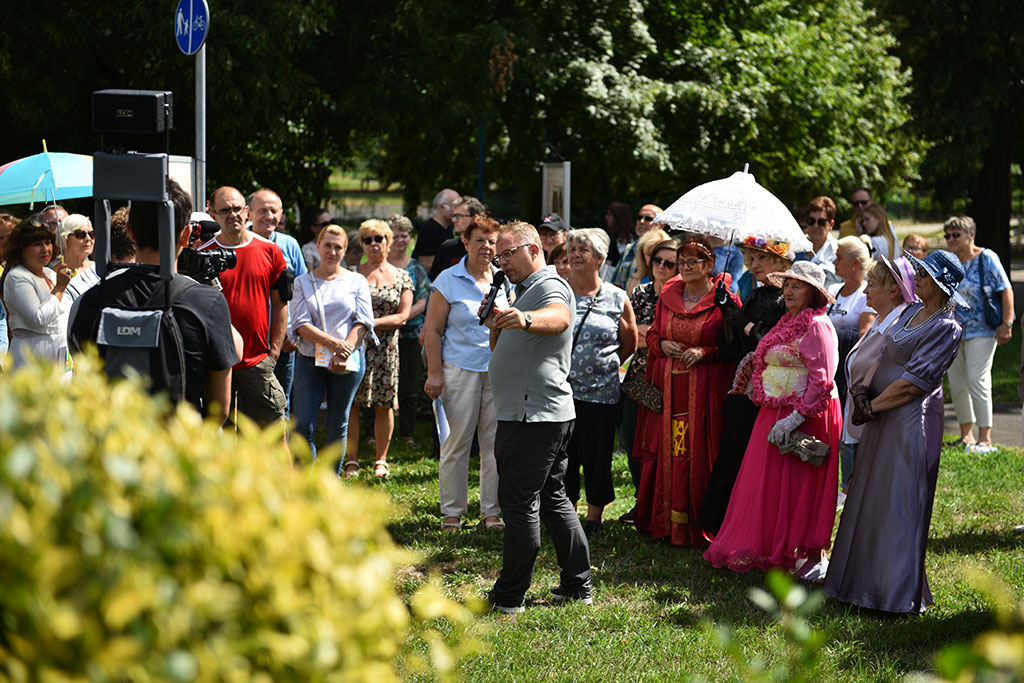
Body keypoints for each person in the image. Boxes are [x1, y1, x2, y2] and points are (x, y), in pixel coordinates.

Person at [824, 250, 966, 613]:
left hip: (909, 421)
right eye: (918, 269)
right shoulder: (910, 310)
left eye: (926, 273)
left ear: (942, 284)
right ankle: (857, 585)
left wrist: (873, 405)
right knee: (870, 495)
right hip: (880, 414)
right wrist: (862, 391)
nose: (917, 275)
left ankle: (892, 594)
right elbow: (882, 353)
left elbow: (914, 383)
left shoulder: (947, 326)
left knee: (899, 500)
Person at [704, 261, 841, 577]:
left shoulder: (818, 325)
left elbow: (823, 382)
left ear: (814, 293)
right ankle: (768, 546)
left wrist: (794, 419)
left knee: (799, 485)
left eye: (798, 285)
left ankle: (805, 553)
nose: (790, 291)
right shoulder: (786, 320)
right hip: (772, 412)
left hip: (805, 416)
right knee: (768, 485)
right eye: (788, 285)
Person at [484, 220, 591, 613]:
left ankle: (509, 596)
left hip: (533, 417)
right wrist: (499, 322)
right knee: (552, 498)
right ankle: (577, 585)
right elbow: (504, 346)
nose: (502, 261)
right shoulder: (522, 289)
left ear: (532, 249)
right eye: (498, 255)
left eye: (507, 253)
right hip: (539, 413)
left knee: (518, 503)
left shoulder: (549, 285)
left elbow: (560, 317)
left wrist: (526, 318)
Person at [69, 180, 238, 420]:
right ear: (186, 234)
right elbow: (219, 408)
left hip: (113, 447)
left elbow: (83, 378)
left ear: (129, 231)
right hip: (180, 447)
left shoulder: (91, 300)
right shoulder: (206, 302)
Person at [634, 239, 738, 547]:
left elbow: (735, 347)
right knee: (669, 448)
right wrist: (661, 345)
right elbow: (653, 333)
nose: (686, 267)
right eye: (683, 261)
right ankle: (666, 522)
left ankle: (698, 526)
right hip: (669, 385)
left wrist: (705, 351)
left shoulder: (724, 300)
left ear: (710, 265)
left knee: (697, 449)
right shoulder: (668, 296)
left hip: (705, 389)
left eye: (694, 261)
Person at [695, 236, 792, 536]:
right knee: (732, 452)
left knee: (757, 461)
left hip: (771, 391)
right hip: (742, 388)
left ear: (781, 263)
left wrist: (738, 319)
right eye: (752, 257)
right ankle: (722, 526)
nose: (755, 264)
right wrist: (726, 312)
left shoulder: (789, 299)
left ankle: (755, 529)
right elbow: (738, 344)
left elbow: (771, 341)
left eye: (762, 258)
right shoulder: (754, 295)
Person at [423, 215, 508, 531]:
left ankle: (491, 513)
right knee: (456, 443)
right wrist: (435, 373)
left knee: (495, 444)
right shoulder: (447, 279)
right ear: (465, 243)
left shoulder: (505, 280)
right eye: (479, 241)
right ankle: (452, 513)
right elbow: (432, 330)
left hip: (497, 372)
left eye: (491, 241)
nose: (486, 247)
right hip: (458, 370)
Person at [564, 228, 638, 537]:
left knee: (597, 456)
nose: (576, 254)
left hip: (601, 395)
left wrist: (603, 367)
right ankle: (565, 511)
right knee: (563, 456)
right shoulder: (559, 291)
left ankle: (594, 516)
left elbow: (630, 342)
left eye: (584, 249)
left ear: (600, 258)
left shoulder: (616, 296)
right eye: (572, 249)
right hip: (561, 392)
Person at [203, 186, 290, 427]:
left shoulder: (271, 251)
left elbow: (281, 304)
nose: (232, 215)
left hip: (258, 362)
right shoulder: (201, 256)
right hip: (217, 365)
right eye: (225, 210)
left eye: (237, 209)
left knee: (273, 436)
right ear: (211, 214)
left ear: (247, 211)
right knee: (221, 439)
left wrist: (273, 353)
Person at [291, 224, 373, 467]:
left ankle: (329, 483)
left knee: (338, 421)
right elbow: (300, 324)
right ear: (317, 246)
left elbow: (364, 321)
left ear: (345, 250)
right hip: (309, 359)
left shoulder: (357, 280)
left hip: (348, 359)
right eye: (327, 245)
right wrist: (334, 345)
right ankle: (304, 481)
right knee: (303, 422)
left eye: (338, 247)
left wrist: (344, 351)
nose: (332, 251)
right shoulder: (302, 282)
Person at [837, 256, 914, 501]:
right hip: (857, 427)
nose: (866, 290)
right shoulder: (881, 321)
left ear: (893, 291)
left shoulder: (897, 328)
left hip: (877, 431)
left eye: (872, 284)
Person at [618, 239, 680, 523]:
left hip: (668, 378)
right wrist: (651, 337)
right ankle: (642, 501)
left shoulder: (681, 297)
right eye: (657, 260)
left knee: (662, 444)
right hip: (636, 378)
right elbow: (629, 335)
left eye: (670, 263)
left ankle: (661, 505)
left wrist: (650, 337)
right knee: (632, 439)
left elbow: (670, 337)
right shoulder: (640, 292)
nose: (662, 267)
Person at [346, 219, 412, 479]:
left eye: (378, 239)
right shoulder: (351, 274)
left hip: (386, 349)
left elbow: (403, 316)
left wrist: (368, 324)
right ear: (362, 244)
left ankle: (381, 460)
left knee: (383, 405)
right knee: (351, 404)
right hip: (354, 346)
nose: (373, 244)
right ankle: (351, 460)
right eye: (367, 240)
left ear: (388, 241)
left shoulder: (402, 276)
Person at [942, 216, 1014, 452]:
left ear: (971, 235)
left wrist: (1007, 323)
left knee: (977, 379)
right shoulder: (949, 263)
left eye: (956, 235)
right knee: (958, 383)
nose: (951, 239)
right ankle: (966, 436)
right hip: (954, 332)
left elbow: (1005, 290)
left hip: (983, 330)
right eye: (948, 235)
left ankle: (985, 437)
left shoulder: (987, 257)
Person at [247, 189, 308, 419]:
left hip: (284, 342)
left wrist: (293, 331)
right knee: (244, 407)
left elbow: (302, 291)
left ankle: (280, 454)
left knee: (281, 404)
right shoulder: (239, 243)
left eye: (274, 211)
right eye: (262, 210)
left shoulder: (290, 245)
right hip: (248, 342)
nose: (269, 216)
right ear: (248, 213)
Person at [2, 219, 72, 370]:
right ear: (21, 249)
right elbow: (38, 318)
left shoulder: (50, 273)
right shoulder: (17, 277)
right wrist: (60, 287)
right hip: (33, 354)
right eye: (37, 244)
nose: (45, 249)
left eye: (48, 242)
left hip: (60, 352)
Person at [387, 213, 430, 445]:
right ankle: (371, 435)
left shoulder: (417, 268)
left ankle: (407, 434)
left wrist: (400, 319)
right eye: (395, 236)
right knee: (378, 383)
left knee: (409, 386)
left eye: (405, 236)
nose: (400, 240)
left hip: (411, 334)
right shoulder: (378, 266)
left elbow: (423, 300)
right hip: (380, 335)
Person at [828, 236, 876, 413]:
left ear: (855, 263)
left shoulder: (866, 295)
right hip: (831, 364)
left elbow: (864, 334)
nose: (834, 261)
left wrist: (832, 335)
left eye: (839, 257)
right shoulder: (833, 290)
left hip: (849, 371)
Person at [429, 196, 485, 280]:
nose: (453, 220)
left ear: (475, 218)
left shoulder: (487, 247)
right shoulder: (447, 247)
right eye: (453, 216)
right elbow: (435, 280)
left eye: (458, 216)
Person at [610, 204, 662, 287]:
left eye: (648, 219)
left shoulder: (665, 252)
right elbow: (617, 283)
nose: (642, 221)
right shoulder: (629, 249)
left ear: (661, 225)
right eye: (639, 217)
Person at [412, 188, 460, 272]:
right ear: (442, 207)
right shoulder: (430, 230)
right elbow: (426, 265)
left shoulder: (448, 228)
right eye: (455, 206)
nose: (458, 210)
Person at [57, 214, 100, 301]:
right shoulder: (54, 275)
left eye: (91, 234)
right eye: (81, 234)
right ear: (65, 239)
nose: (88, 239)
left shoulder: (99, 267)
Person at [804, 196, 840, 286]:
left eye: (821, 222)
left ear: (831, 224)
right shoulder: (794, 246)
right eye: (811, 220)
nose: (815, 226)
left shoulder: (838, 252)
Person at [624, 229, 670, 295]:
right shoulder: (637, 280)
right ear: (642, 255)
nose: (653, 259)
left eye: (658, 256)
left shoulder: (674, 283)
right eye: (649, 254)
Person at [603, 201, 634, 271]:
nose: (606, 217)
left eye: (610, 215)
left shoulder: (626, 238)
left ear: (618, 217)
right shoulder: (611, 235)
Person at [300, 206, 333, 271]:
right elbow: (310, 275)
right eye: (325, 224)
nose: (330, 226)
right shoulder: (308, 249)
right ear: (313, 228)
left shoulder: (338, 245)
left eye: (332, 222)